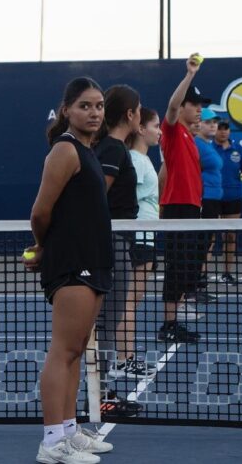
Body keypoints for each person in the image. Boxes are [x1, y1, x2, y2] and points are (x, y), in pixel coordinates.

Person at [24, 77, 114, 464]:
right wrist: (44, 247)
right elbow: (40, 212)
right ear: (67, 111)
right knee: (62, 351)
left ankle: (69, 431)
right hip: (71, 262)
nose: (94, 112)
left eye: (98, 106)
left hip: (92, 262)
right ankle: (51, 442)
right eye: (85, 106)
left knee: (76, 351)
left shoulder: (88, 151)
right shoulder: (64, 150)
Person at [94, 85, 153, 383]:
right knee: (108, 320)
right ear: (129, 114)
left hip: (120, 240)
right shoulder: (113, 149)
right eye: (138, 110)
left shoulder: (111, 148)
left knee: (108, 319)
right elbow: (95, 198)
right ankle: (102, 393)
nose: (140, 115)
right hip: (113, 241)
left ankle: (102, 390)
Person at [157, 54, 209, 344]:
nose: (200, 110)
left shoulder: (191, 137)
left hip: (192, 209)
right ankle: (169, 324)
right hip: (178, 207)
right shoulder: (174, 131)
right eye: (196, 105)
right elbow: (172, 106)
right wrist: (190, 74)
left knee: (187, 264)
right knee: (176, 266)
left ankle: (174, 319)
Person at [214, 119, 242, 284]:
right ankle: (201, 276)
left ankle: (226, 273)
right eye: (220, 128)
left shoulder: (238, 150)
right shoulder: (210, 149)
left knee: (230, 236)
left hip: (234, 199)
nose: (223, 132)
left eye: (226, 129)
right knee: (210, 237)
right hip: (213, 199)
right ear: (215, 130)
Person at [192, 107, 224, 300]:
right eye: (208, 122)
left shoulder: (209, 145)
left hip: (214, 200)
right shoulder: (196, 144)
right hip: (205, 199)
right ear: (199, 124)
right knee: (200, 244)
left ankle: (199, 285)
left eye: (215, 122)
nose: (213, 125)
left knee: (207, 244)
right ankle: (194, 287)